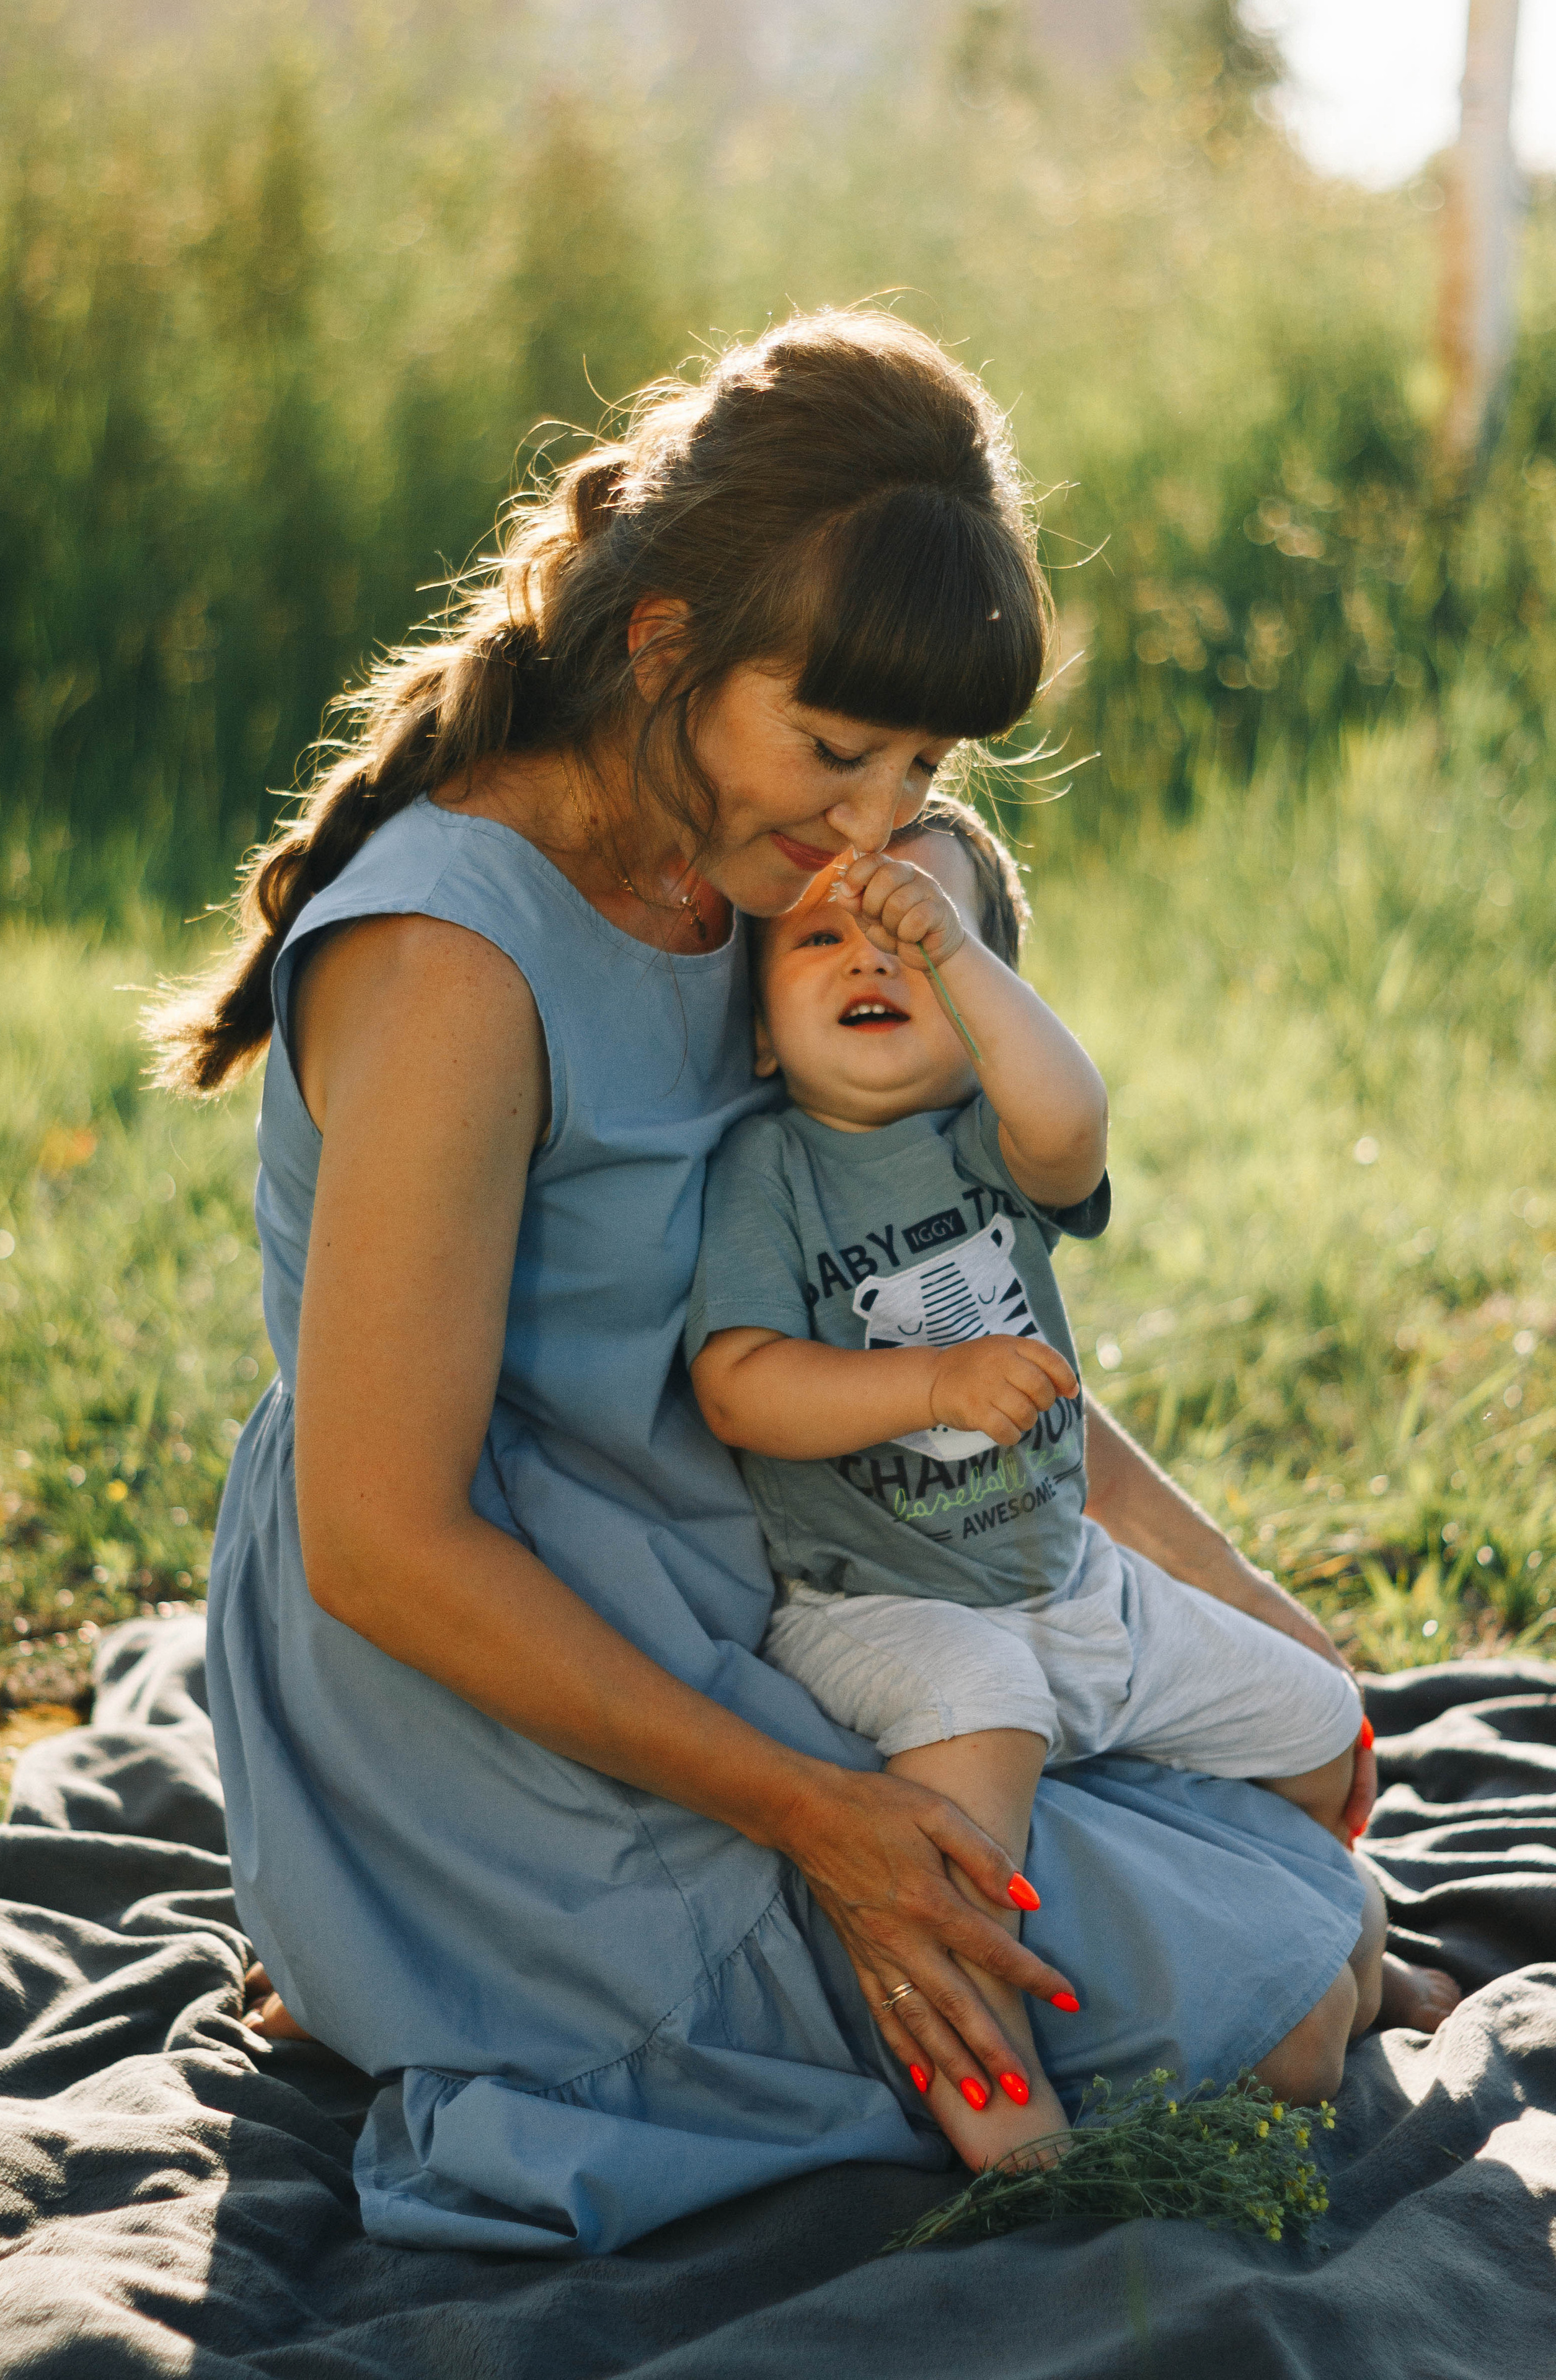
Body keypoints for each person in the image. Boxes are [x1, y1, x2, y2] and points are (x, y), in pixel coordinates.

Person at [151, 309, 1421, 2260]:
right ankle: (415, 1936)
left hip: (780, 1585)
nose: (874, 820)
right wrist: (820, 1823)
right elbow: (383, 1550)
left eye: (921, 764)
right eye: (834, 750)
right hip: (492, 1676)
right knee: (1289, 2017)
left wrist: (1247, 1602)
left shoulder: (773, 899)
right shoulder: (453, 966)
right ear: (664, 644)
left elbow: (932, 1296)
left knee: (1299, 1884)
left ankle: (424, 1961)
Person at [687, 796, 1387, 2171]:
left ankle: (1319, 1916)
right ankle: (1008, 2126)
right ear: (760, 1028)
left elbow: (1070, 1117)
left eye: (918, 937)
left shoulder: (991, 1141)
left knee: (1320, 1719)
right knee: (982, 1729)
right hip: (882, 1608)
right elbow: (739, 1387)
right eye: (820, 937)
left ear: (990, 1009)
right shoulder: (767, 1169)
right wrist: (929, 1387)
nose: (871, 956)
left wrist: (961, 959)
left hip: (1070, 1583)